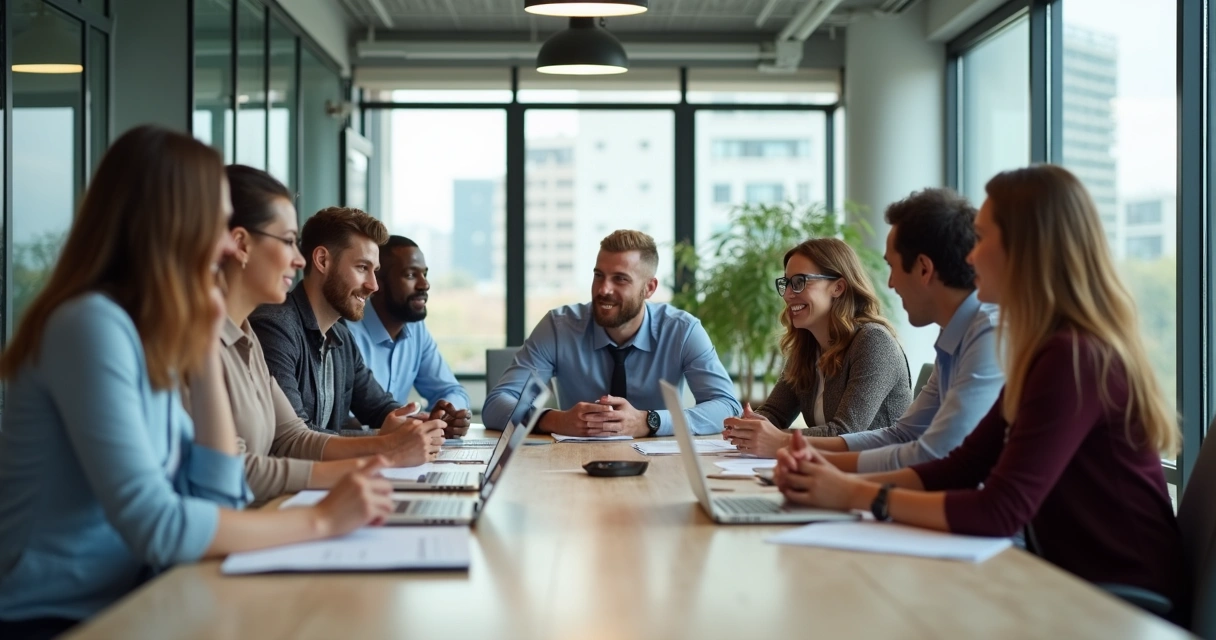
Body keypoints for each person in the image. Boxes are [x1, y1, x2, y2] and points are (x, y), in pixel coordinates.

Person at [0, 126, 393, 638]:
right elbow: (157, 526)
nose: (228, 243)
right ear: (175, 222)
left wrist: (205, 344)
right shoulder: (91, 325)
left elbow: (218, 498)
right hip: (59, 619)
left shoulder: (156, 332)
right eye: (217, 221)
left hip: (141, 598)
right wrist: (321, 522)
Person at [773, 165, 1186, 611]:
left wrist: (851, 493)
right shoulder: (1044, 347)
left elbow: (999, 509)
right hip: (1068, 578)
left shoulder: (1073, 356)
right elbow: (962, 465)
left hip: (1119, 600)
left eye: (983, 238)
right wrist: (831, 480)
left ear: (1023, 250)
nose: (969, 256)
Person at [199, 166, 444, 504]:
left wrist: (411, 429)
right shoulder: (267, 326)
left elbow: (293, 436)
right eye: (288, 241)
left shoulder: (254, 335)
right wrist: (385, 452)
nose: (297, 260)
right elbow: (253, 464)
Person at [798, 188, 1004, 472]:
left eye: (892, 267)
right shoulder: (956, 336)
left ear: (923, 269)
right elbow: (903, 435)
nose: (891, 283)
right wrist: (805, 458)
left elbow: (936, 452)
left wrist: (824, 473)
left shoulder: (989, 336)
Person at [483, 230, 740, 437]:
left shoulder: (682, 330)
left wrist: (649, 421)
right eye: (599, 275)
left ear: (649, 288)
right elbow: (496, 405)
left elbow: (727, 407)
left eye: (620, 279)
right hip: (573, 463)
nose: (603, 289)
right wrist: (556, 420)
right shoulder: (558, 327)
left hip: (660, 465)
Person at [249, 207, 460, 439]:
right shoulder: (275, 329)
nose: (373, 285)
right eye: (362, 268)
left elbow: (381, 409)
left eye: (375, 271)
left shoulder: (341, 337)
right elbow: (294, 439)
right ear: (322, 260)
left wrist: (426, 424)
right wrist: (387, 441)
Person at [723, 238, 912, 457]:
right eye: (786, 283)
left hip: (877, 470)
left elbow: (845, 434)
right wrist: (749, 426)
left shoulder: (874, 342)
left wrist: (776, 439)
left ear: (838, 287)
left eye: (799, 282)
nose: (787, 294)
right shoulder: (808, 346)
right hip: (832, 468)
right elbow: (774, 413)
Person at [347, 235, 471, 437]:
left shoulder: (416, 330)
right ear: (377, 282)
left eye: (425, 274)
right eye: (411, 275)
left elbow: (453, 391)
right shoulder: (345, 333)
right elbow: (343, 420)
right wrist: (408, 426)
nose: (425, 284)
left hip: (401, 448)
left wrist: (448, 414)